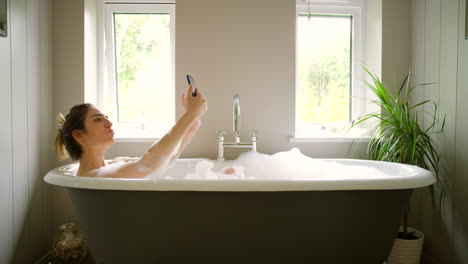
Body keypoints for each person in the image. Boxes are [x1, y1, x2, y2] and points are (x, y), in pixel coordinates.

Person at [55, 84, 207, 178]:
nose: (109, 123)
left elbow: (165, 160)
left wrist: (192, 120)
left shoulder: (111, 164)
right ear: (78, 135)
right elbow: (150, 164)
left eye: (106, 117)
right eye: (98, 119)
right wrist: (189, 115)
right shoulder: (93, 177)